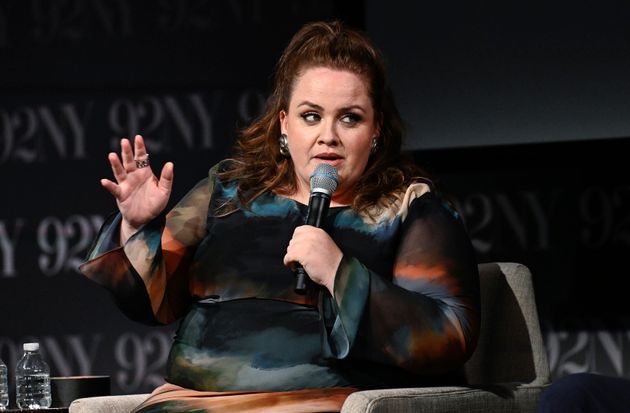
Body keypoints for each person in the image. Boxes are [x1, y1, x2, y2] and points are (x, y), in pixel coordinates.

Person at [80, 21, 481, 413]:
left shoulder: (409, 208)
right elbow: (152, 306)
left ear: (375, 130)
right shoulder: (229, 192)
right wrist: (137, 226)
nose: (328, 135)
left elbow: (449, 336)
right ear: (284, 125)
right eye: (311, 116)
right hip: (190, 401)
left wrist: (340, 272)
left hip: (319, 404)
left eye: (350, 118)